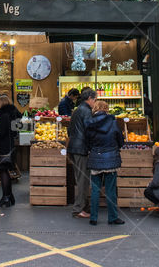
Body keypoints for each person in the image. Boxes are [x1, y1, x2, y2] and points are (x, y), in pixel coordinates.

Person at [85, 100, 125, 225]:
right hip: (111, 159)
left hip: (95, 158)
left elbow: (87, 142)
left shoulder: (89, 123)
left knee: (95, 189)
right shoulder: (113, 122)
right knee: (110, 190)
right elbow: (120, 141)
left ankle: (94, 217)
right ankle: (113, 217)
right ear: (106, 109)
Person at [67, 88, 96, 219]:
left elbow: (69, 130)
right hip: (81, 148)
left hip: (74, 147)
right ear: (89, 99)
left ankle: (84, 207)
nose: (95, 102)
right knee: (83, 180)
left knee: (81, 178)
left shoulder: (77, 109)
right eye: (94, 100)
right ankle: (78, 209)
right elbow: (89, 130)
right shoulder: (86, 111)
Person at [0, 94, 20, 207]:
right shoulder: (12, 115)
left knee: (3, 171)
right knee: (5, 171)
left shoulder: (4, 116)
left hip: (4, 147)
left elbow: (0, 133)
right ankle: (9, 196)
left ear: (1, 103)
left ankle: (6, 197)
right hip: (10, 145)